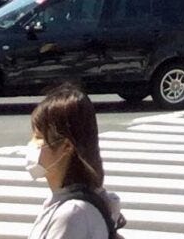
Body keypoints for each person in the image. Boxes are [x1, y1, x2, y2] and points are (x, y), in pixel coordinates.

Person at [23, 85, 123, 238]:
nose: (31, 144)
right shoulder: (68, 202)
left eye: (39, 137)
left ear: (67, 146)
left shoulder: (72, 214)